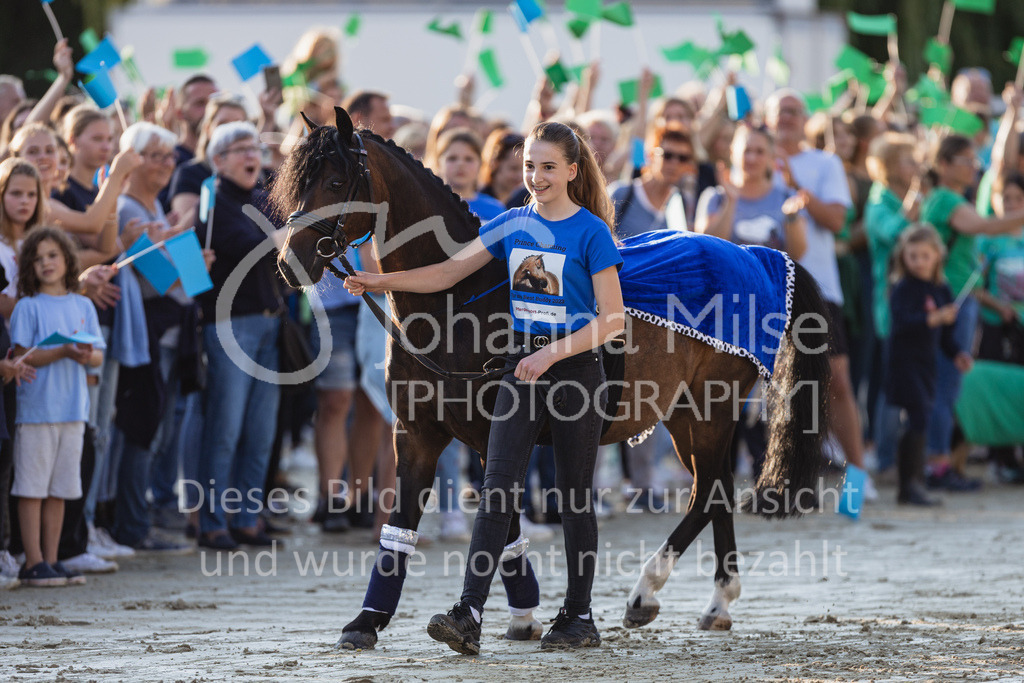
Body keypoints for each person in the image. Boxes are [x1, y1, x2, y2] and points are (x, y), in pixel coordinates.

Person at [345, 121, 625, 653]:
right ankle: (469, 611)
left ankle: (579, 615)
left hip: (575, 371)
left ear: (571, 170)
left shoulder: (592, 232)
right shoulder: (512, 223)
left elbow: (612, 321)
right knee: (497, 487)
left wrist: (550, 355)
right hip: (521, 368)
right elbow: (445, 273)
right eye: (528, 167)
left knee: (573, 497)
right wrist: (378, 282)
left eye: (547, 167)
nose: (536, 177)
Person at [765, 90, 874, 498]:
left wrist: (797, 188)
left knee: (838, 383)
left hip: (819, 287)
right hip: (768, 289)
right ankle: (787, 481)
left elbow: (836, 219)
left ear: (806, 118)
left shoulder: (824, 163)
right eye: (780, 111)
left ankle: (859, 481)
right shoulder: (754, 160)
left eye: (794, 111)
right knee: (782, 387)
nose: (787, 118)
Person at [194, 121, 283, 550]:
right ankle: (212, 522)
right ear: (218, 160)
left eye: (255, 147)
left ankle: (247, 518)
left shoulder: (260, 197)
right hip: (229, 326)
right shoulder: (210, 201)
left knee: (261, 431)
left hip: (268, 323)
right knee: (225, 430)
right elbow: (251, 246)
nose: (253, 156)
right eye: (240, 148)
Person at [920, 134, 1024, 489]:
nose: (972, 166)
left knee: (950, 382)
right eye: (965, 160)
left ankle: (941, 461)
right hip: (951, 299)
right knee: (947, 383)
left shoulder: (952, 198)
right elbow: (983, 226)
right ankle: (937, 464)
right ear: (944, 165)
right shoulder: (946, 199)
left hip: (958, 298)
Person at [11, 227, 104, 586]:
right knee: (32, 488)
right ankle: (32, 562)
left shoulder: (82, 305)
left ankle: (51, 559)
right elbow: (22, 357)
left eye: (52, 255)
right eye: (37, 258)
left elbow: (96, 355)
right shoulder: (27, 307)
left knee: (60, 489)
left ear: (67, 259)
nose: (45, 263)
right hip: (37, 412)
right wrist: (63, 351)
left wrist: (82, 353)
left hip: (72, 411)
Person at [887, 225, 973, 505]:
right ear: (904, 257)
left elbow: (946, 337)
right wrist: (933, 319)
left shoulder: (941, 288)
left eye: (925, 255)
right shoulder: (903, 288)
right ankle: (909, 485)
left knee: (921, 416)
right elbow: (902, 324)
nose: (919, 262)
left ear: (937, 256)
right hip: (904, 364)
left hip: (927, 365)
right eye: (913, 256)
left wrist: (958, 352)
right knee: (918, 417)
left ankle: (913, 484)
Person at [864, 132, 922, 479]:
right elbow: (899, 233)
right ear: (888, 166)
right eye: (908, 160)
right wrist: (912, 206)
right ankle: (885, 458)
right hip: (890, 304)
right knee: (889, 382)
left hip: (911, 302)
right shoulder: (878, 201)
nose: (915, 166)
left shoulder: (901, 197)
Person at [696, 124, 807, 258]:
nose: (752, 158)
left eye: (760, 152)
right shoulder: (715, 197)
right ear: (732, 153)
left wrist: (791, 218)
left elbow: (797, 254)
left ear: (771, 157)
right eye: (746, 151)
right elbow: (708, 248)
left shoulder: (787, 198)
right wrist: (730, 202)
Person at [612, 122, 695, 237]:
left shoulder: (682, 202)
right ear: (651, 155)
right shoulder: (621, 193)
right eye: (667, 155)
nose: (675, 163)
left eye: (683, 158)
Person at [435, 128, 505, 220]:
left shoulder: (495, 210)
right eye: (452, 158)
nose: (460, 164)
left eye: (468, 159)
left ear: (480, 164)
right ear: (439, 163)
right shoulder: (428, 204)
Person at [479, 129, 525, 206]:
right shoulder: (477, 201)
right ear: (494, 163)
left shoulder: (528, 202)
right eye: (514, 168)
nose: (520, 175)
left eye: (525, 168)